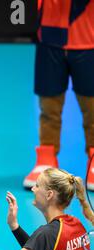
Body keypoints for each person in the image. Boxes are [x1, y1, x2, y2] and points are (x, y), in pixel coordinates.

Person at [23, 0, 94, 190]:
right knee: (48, 106)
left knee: (92, 108)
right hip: (50, 39)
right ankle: (46, 158)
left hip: (88, 41)